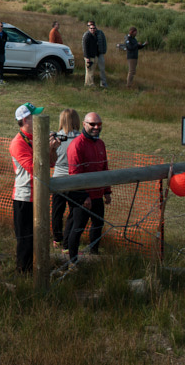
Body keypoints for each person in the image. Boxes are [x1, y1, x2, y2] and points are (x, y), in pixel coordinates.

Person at [9, 102, 59, 273]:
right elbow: (34, 169)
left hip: (39, 194)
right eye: (34, 116)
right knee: (25, 240)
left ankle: (37, 270)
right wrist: (47, 148)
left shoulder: (35, 137)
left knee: (39, 237)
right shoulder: (17, 143)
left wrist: (52, 150)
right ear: (25, 120)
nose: (37, 120)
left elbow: (51, 163)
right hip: (24, 197)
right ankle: (23, 273)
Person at [65, 112, 111, 264]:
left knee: (98, 224)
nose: (96, 127)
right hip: (82, 197)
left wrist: (107, 191)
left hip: (97, 194)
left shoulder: (100, 144)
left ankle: (94, 253)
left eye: (99, 124)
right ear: (84, 124)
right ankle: (72, 260)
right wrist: (83, 196)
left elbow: (104, 168)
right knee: (77, 228)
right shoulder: (77, 145)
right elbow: (74, 173)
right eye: (92, 124)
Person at [50, 108, 81, 249]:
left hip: (57, 179)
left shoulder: (54, 137)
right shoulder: (81, 139)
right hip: (74, 179)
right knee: (73, 212)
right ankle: (68, 241)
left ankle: (57, 238)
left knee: (57, 211)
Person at [82, 21, 107, 88]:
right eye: (91, 28)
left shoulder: (97, 34)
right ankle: (90, 84)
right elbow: (85, 47)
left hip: (96, 55)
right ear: (88, 28)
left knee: (91, 71)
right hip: (89, 56)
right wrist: (87, 58)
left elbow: (103, 43)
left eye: (93, 28)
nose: (92, 29)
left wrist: (102, 51)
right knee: (89, 71)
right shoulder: (87, 36)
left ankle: (88, 84)